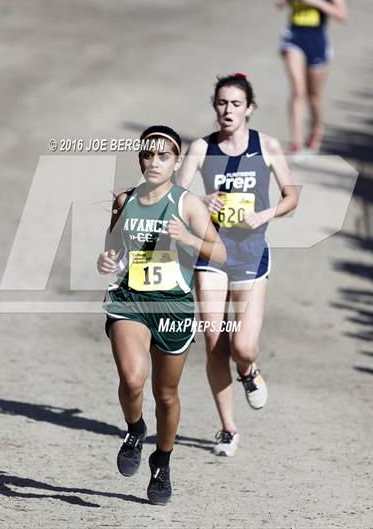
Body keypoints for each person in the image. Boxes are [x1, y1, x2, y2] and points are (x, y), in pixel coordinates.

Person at [97, 125, 226, 504]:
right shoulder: (126, 200)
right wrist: (106, 260)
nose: (154, 162)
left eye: (163, 156)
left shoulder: (188, 204)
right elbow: (112, 249)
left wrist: (187, 238)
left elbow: (220, 255)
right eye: (148, 155)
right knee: (133, 380)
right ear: (141, 158)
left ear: (177, 162)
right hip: (130, 301)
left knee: (166, 395)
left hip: (174, 306)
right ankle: (135, 429)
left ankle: (162, 462)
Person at [176, 73, 298, 456]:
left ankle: (248, 371)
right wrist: (201, 199)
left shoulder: (267, 146)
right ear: (215, 107)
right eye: (221, 103)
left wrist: (265, 216)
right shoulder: (200, 148)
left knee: (243, 346)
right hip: (210, 254)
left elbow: (291, 195)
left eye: (235, 104)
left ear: (250, 109)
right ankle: (228, 428)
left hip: (251, 255)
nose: (227, 110)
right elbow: (175, 198)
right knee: (215, 345)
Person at [276, 0, 348, 153]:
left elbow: (342, 15)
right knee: (297, 90)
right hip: (294, 37)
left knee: (313, 95)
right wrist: (282, 1)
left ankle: (317, 128)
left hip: (317, 40)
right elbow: (284, 0)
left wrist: (317, 2)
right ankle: (296, 141)